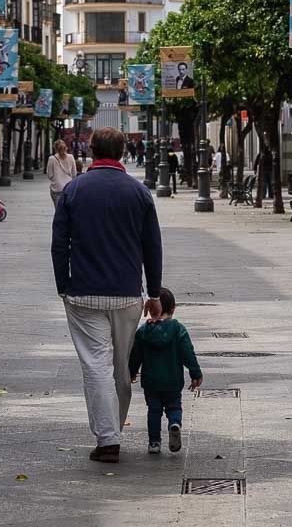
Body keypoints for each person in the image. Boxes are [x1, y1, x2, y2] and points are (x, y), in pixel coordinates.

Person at [53, 127, 163, 464]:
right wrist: (154, 292)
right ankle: (112, 429)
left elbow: (60, 244)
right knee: (119, 368)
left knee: (96, 366)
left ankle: (108, 437)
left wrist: (63, 285)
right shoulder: (139, 192)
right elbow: (152, 247)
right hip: (128, 294)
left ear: (91, 149)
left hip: (84, 293)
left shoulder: (74, 190)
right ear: (121, 151)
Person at [128, 287, 202, 454]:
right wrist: (195, 372)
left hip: (151, 381)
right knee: (174, 406)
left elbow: (135, 355)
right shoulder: (178, 329)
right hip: (173, 380)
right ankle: (174, 424)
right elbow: (187, 353)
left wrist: (131, 372)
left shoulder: (143, 332)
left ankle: (154, 443)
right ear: (173, 308)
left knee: (153, 410)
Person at [45, 139, 77, 206]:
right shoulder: (71, 157)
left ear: (55, 148)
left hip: (57, 188)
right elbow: (74, 173)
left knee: (58, 212)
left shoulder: (52, 159)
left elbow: (49, 175)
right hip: (69, 188)